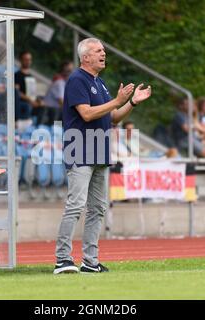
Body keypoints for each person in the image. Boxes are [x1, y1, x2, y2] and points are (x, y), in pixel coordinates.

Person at [54, 38, 151, 274]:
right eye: (98, 50)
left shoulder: (101, 83)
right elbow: (86, 114)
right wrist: (116, 101)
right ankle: (62, 259)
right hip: (80, 150)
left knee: (98, 208)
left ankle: (90, 261)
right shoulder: (77, 79)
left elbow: (114, 117)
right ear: (85, 57)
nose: (103, 53)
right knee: (76, 206)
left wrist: (130, 104)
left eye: (104, 50)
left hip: (99, 151)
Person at [42, 61, 74, 125]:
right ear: (64, 71)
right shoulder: (59, 83)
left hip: (55, 111)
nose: (72, 72)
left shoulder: (64, 83)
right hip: (51, 111)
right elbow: (61, 102)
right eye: (70, 70)